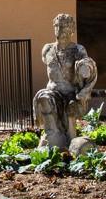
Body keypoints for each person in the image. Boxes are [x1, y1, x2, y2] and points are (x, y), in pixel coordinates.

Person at [32, 13, 98, 149]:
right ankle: (53, 134)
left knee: (70, 110)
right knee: (43, 97)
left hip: (71, 94)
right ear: (54, 28)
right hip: (52, 91)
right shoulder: (47, 49)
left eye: (67, 27)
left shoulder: (78, 50)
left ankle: (69, 140)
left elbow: (86, 64)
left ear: (72, 30)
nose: (62, 30)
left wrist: (85, 68)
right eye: (59, 26)